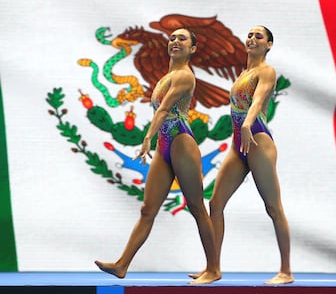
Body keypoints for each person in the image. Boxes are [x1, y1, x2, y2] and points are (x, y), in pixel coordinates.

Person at [95, 28, 221, 284]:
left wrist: (146, 137)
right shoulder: (167, 76)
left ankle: (213, 269)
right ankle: (122, 264)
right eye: (172, 38)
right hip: (165, 146)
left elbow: (164, 109)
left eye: (182, 38)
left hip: (181, 143)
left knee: (196, 207)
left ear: (193, 49)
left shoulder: (185, 76)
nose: (175, 41)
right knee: (147, 209)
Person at [190, 26, 294, 284]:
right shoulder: (244, 73)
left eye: (259, 36)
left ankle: (286, 271)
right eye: (249, 35)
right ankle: (213, 268)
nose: (252, 39)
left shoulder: (266, 71)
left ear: (269, 45)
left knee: (273, 207)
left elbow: (258, 101)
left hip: (257, 138)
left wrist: (247, 124)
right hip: (240, 142)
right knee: (215, 204)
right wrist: (241, 131)